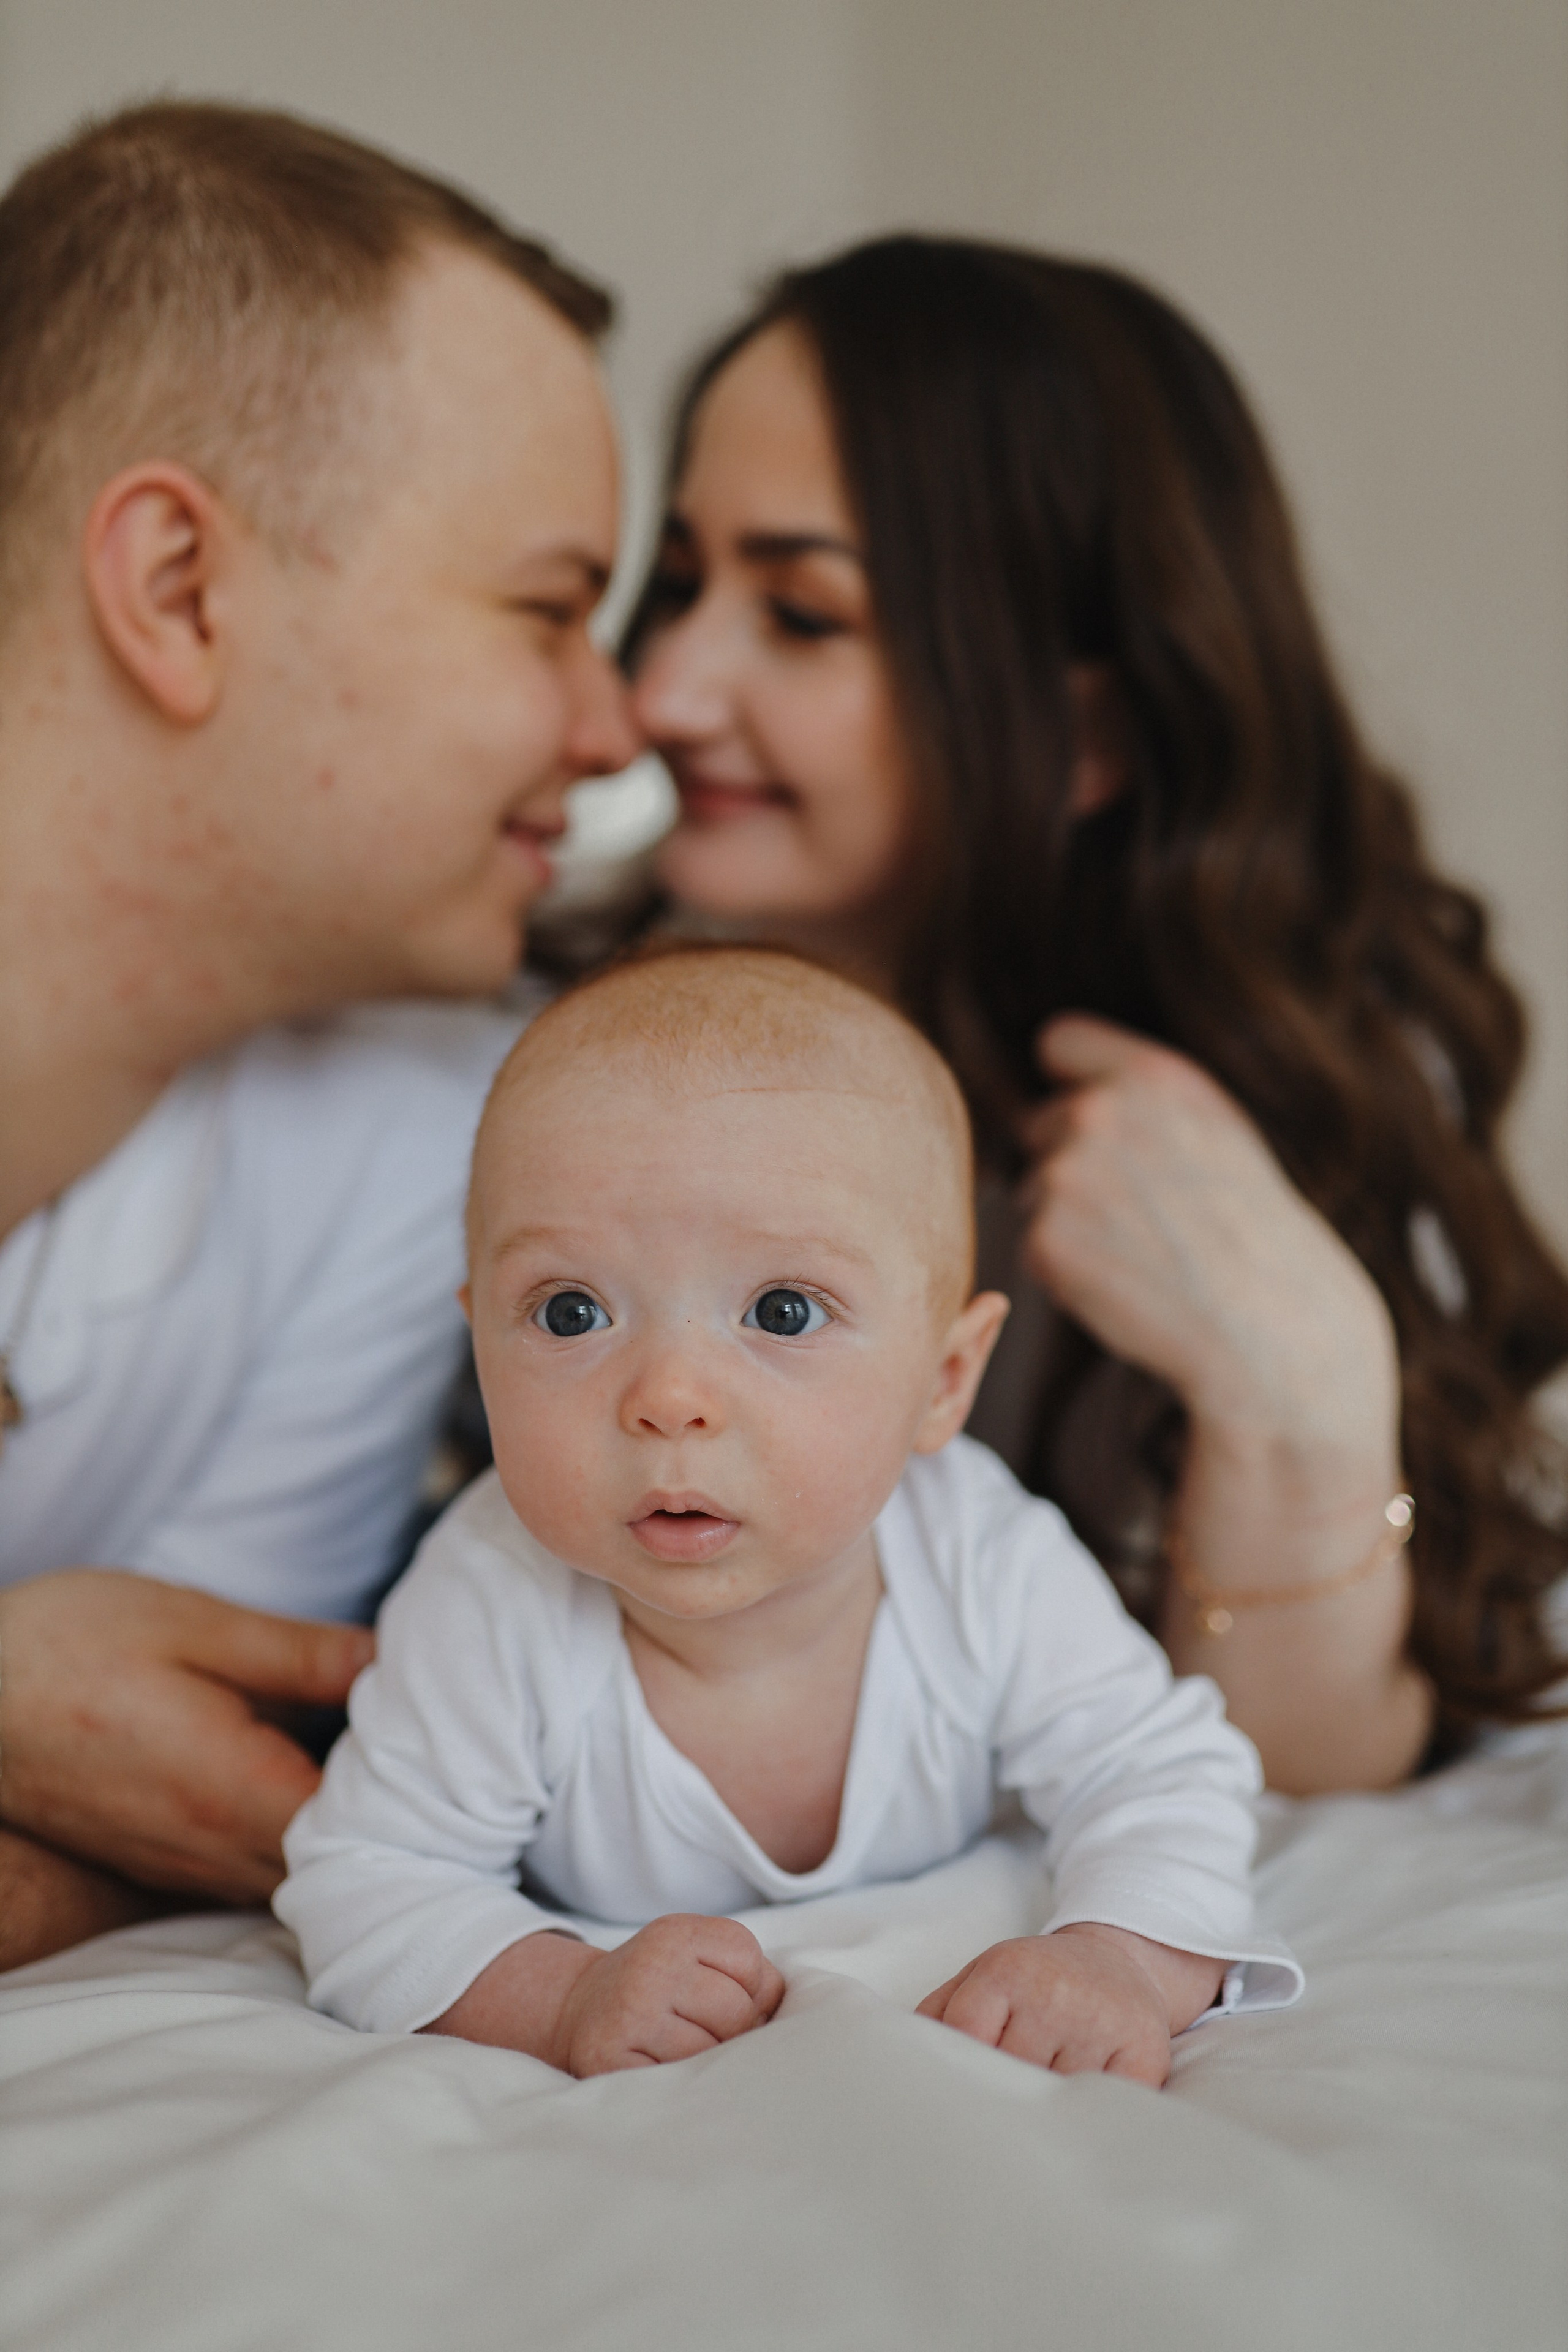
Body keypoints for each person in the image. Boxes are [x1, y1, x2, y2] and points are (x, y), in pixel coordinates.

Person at [621, 235, 1568, 1799]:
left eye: (797, 614)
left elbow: (1302, 1779)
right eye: (675, 587)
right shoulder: (551, 1029)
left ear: (1085, 734)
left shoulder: (1243, 1106)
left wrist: (1304, 1384)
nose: (662, 689)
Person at [0, 103, 638, 1969]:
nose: (614, 732)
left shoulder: (420, 1119)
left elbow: (171, 1819)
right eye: (547, 612)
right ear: (182, 591)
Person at [277, 948, 1300, 2082]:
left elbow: (1158, 1775)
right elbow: (369, 1877)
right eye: (570, 1312)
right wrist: (563, 1998)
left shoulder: (977, 1555)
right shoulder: (494, 1596)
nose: (668, 1398)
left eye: (782, 1309)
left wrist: (1122, 1962)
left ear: (944, 1380)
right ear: (478, 1345)